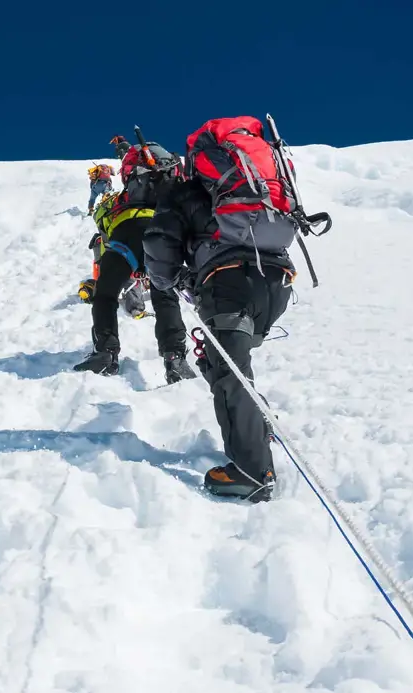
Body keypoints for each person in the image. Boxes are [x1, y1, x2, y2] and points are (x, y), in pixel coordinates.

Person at [142, 116, 301, 502]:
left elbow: (160, 244)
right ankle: (256, 425)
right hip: (276, 283)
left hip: (228, 281)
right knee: (224, 363)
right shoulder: (257, 191)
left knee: (230, 372)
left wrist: (167, 280)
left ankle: (251, 471)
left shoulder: (187, 193)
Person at [74, 142, 197, 385]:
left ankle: (106, 353)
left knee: (106, 293)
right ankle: (175, 358)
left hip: (125, 237)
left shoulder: (121, 198)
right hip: (160, 234)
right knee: (165, 296)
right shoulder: (164, 192)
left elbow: (103, 224)